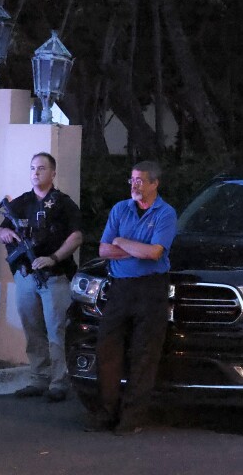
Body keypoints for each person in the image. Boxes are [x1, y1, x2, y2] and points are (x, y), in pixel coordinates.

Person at [85, 160, 177, 435]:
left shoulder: (165, 213)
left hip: (151, 289)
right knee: (108, 348)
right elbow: (103, 250)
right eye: (132, 180)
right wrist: (136, 248)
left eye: (140, 180)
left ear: (154, 183)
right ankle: (106, 412)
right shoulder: (120, 209)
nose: (134, 185)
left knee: (143, 353)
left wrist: (122, 242)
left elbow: (154, 254)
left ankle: (133, 417)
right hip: (121, 287)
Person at [0, 152, 83, 403]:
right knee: (32, 329)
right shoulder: (22, 202)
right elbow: (1, 228)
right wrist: (4, 233)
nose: (36, 173)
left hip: (54, 277)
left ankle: (58, 382)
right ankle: (38, 378)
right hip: (25, 277)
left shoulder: (64, 204)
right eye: (32, 168)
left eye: (41, 169)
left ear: (53, 173)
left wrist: (54, 258)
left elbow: (76, 237)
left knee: (56, 330)